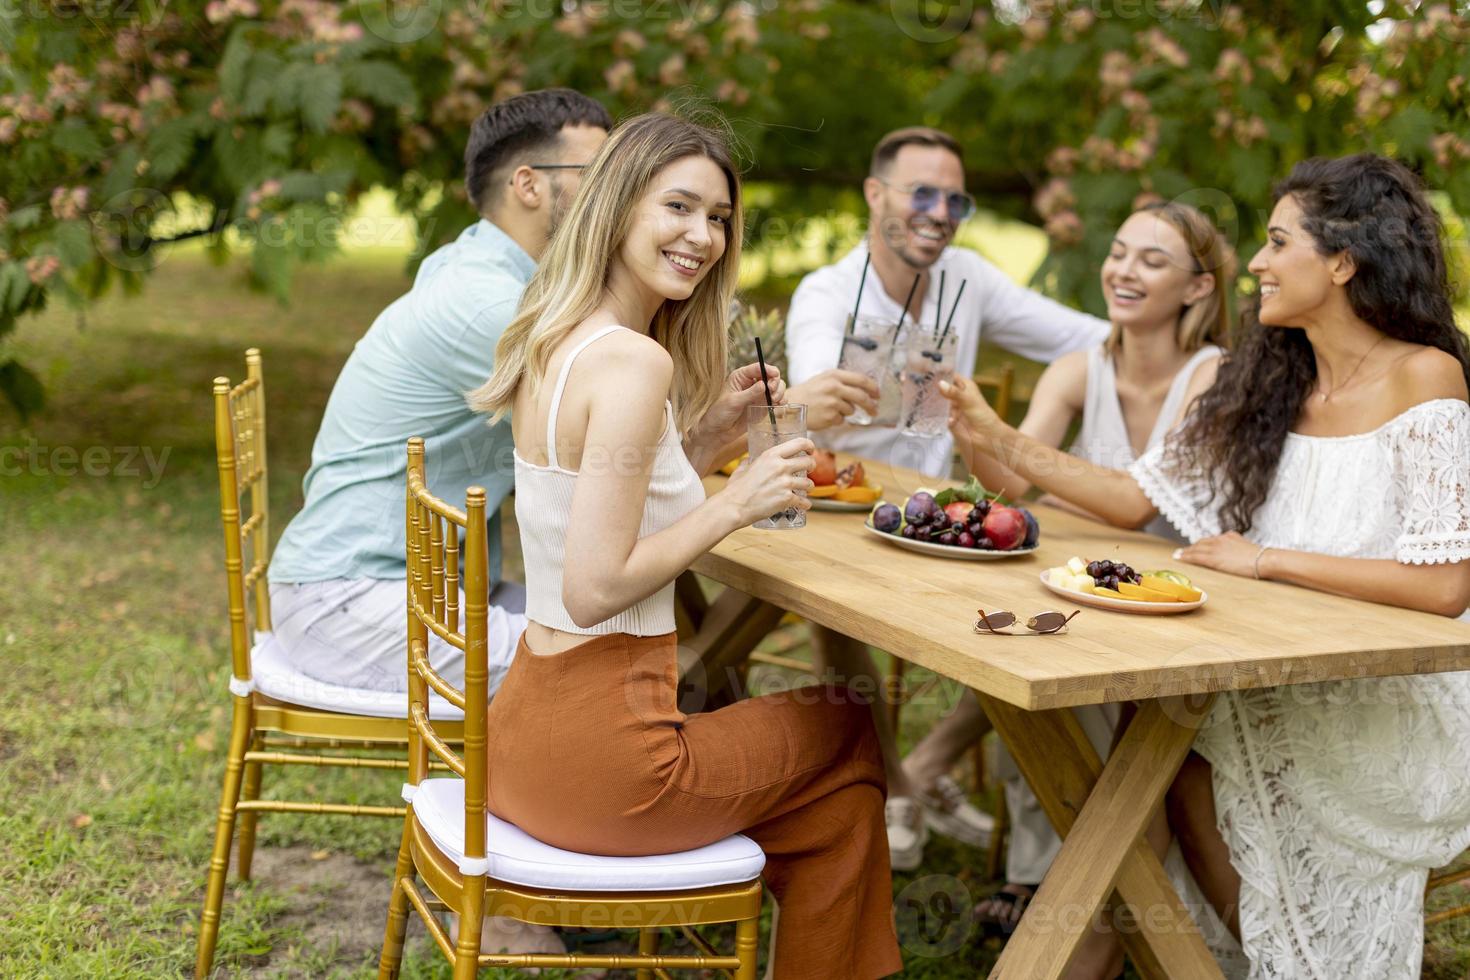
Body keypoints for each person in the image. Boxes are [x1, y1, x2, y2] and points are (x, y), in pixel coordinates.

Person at [942, 153, 1470, 979]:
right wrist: (994, 436)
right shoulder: (1267, 384)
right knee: (1159, 741)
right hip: (1277, 670)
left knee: (1165, 747)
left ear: (1341, 260)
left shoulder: (1424, 378)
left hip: (1395, 700)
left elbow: (1445, 587)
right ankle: (1170, 956)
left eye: (1276, 242)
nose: (1254, 264)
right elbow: (1126, 498)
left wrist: (1264, 561)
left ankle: (1118, 956)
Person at [469, 112, 903, 979]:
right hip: (611, 766)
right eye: (679, 206)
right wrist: (734, 503)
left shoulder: (558, 335)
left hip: (519, 739)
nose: (702, 236)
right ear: (621, 203)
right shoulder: (635, 364)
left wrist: (708, 442)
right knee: (850, 721)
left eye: (719, 218)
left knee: (839, 813)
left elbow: (597, 492)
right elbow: (597, 586)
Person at [265, 88, 610, 956]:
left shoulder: (491, 275)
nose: (621, 196)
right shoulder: (485, 303)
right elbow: (607, 441)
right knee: (585, 660)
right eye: (600, 175)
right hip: (354, 600)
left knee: (607, 636)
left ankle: (572, 869)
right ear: (530, 185)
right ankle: (504, 898)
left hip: (391, 586)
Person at [783, 125, 1111, 870]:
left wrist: (1169, 338)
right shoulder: (827, 291)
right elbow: (807, 389)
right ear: (875, 194)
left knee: (1042, 612)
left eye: (954, 198)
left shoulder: (968, 278)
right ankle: (896, 785)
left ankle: (927, 766)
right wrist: (821, 394)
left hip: (939, 515)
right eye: (920, 192)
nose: (940, 211)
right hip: (839, 510)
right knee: (830, 603)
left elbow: (1084, 339)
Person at [946, 199, 1232, 935]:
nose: (1123, 270)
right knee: (1013, 651)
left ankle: (1085, 890)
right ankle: (1050, 877)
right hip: (1097, 596)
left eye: (1152, 260)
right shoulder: (1079, 368)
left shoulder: (1212, 375)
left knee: (1046, 663)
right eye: (1119, 251)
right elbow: (1005, 485)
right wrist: (969, 428)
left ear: (1198, 289)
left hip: (1192, 613)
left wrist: (999, 434)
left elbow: (1135, 506)